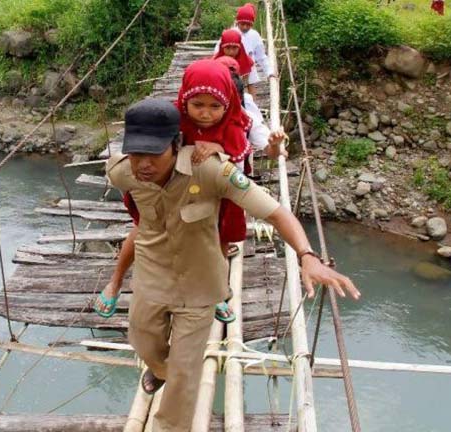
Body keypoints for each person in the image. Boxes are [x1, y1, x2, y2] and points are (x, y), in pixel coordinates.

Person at [106, 98, 359, 431]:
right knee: (142, 342)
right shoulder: (122, 172)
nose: (144, 165)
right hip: (152, 277)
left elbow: (276, 212)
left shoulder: (211, 170)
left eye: (154, 154)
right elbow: (136, 218)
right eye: (136, 154)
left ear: (177, 144)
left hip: (199, 286)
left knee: (185, 374)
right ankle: (160, 369)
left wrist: (307, 256)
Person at [94, 59, 284, 323]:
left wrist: (220, 147)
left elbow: (252, 150)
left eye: (214, 106)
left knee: (219, 242)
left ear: (228, 101)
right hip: (170, 188)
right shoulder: (174, 118)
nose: (206, 114)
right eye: (198, 105)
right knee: (142, 231)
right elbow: (152, 143)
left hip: (217, 195)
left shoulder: (237, 122)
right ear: (185, 100)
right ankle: (115, 283)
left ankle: (216, 292)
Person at [233, 3, 275, 98]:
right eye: (242, 24)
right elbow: (218, 51)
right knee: (235, 92)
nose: (245, 27)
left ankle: (253, 109)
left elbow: (261, 56)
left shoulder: (254, 35)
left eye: (248, 25)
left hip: (249, 69)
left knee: (251, 91)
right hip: (233, 69)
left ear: (252, 24)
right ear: (237, 22)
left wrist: (269, 72)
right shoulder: (231, 33)